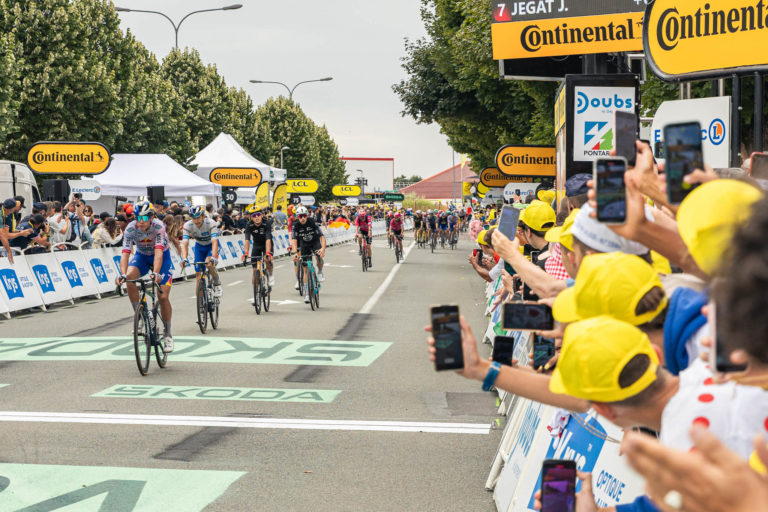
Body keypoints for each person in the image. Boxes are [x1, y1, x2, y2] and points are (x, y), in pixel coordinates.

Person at [116, 202, 175, 353]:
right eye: (137, 217)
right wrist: (122, 274)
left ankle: (168, 334)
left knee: (162, 297)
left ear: (151, 217)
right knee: (129, 278)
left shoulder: (158, 226)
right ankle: (140, 316)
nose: (140, 221)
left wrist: (155, 273)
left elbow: (159, 253)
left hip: (162, 258)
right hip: (142, 257)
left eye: (143, 217)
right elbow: (125, 253)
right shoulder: (130, 228)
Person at [180, 206, 221, 297]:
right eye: (194, 218)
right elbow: (185, 243)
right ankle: (201, 304)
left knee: (208, 263)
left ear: (203, 216)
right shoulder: (187, 226)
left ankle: (216, 281)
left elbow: (214, 241)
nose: (196, 221)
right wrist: (184, 259)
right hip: (200, 247)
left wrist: (213, 257)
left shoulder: (211, 223)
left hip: (211, 246)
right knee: (198, 275)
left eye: (198, 217)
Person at [290, 205, 326, 303]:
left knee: (319, 256)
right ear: (297, 217)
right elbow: (294, 240)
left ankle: (320, 271)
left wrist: (322, 249)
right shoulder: (296, 225)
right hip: (304, 245)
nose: (302, 218)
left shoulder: (312, 222)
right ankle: (307, 293)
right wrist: (295, 252)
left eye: (304, 216)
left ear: (307, 216)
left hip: (315, 242)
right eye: (300, 216)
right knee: (305, 270)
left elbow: (322, 237)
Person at [242, 205, 274, 287]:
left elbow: (268, 239)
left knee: (267, 260)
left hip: (266, 244)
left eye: (258, 215)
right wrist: (245, 253)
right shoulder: (249, 225)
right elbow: (247, 240)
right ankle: (256, 294)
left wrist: (267, 253)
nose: (257, 217)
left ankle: (270, 275)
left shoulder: (267, 223)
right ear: (251, 217)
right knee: (255, 270)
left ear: (262, 215)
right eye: (254, 216)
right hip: (256, 245)